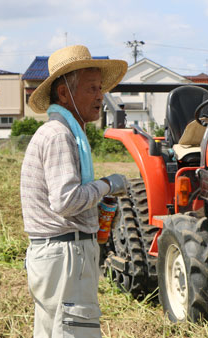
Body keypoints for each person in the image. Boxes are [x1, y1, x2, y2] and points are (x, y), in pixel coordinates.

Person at [21, 45, 128, 337]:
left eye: (100, 88)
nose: (100, 96)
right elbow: (66, 200)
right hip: (66, 254)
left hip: (58, 253)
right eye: (92, 88)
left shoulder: (61, 132)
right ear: (65, 94)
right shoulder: (59, 135)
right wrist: (109, 184)